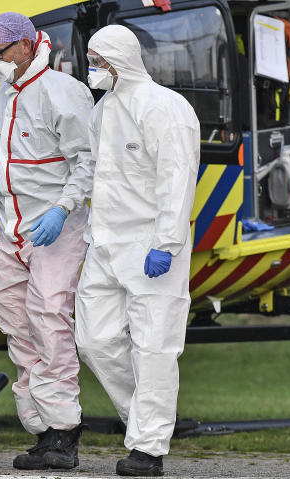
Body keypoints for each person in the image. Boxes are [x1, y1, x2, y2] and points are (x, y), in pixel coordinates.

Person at [0, 12, 94, 470]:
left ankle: (65, 431)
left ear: (26, 47)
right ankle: (43, 424)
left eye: (0, 52)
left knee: (50, 317)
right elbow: (5, 158)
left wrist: (63, 209)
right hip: (14, 229)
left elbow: (86, 163)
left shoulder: (64, 94)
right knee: (13, 316)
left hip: (55, 229)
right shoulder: (7, 93)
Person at [74, 24, 200, 477]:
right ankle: (146, 422)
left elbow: (177, 178)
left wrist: (165, 242)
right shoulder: (102, 111)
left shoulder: (166, 109)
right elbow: (99, 176)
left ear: (119, 61)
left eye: (97, 62)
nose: (93, 70)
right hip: (105, 244)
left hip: (151, 248)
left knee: (154, 348)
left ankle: (149, 449)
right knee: (94, 340)